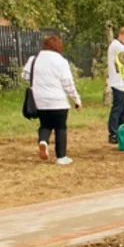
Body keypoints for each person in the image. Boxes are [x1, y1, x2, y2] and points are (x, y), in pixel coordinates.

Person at [23, 36, 81, 165]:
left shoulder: (33, 59)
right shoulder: (61, 61)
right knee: (60, 128)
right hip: (58, 101)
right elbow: (68, 83)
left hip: (40, 100)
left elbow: (25, 76)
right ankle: (61, 157)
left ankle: (43, 141)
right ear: (58, 47)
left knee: (45, 125)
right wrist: (76, 99)